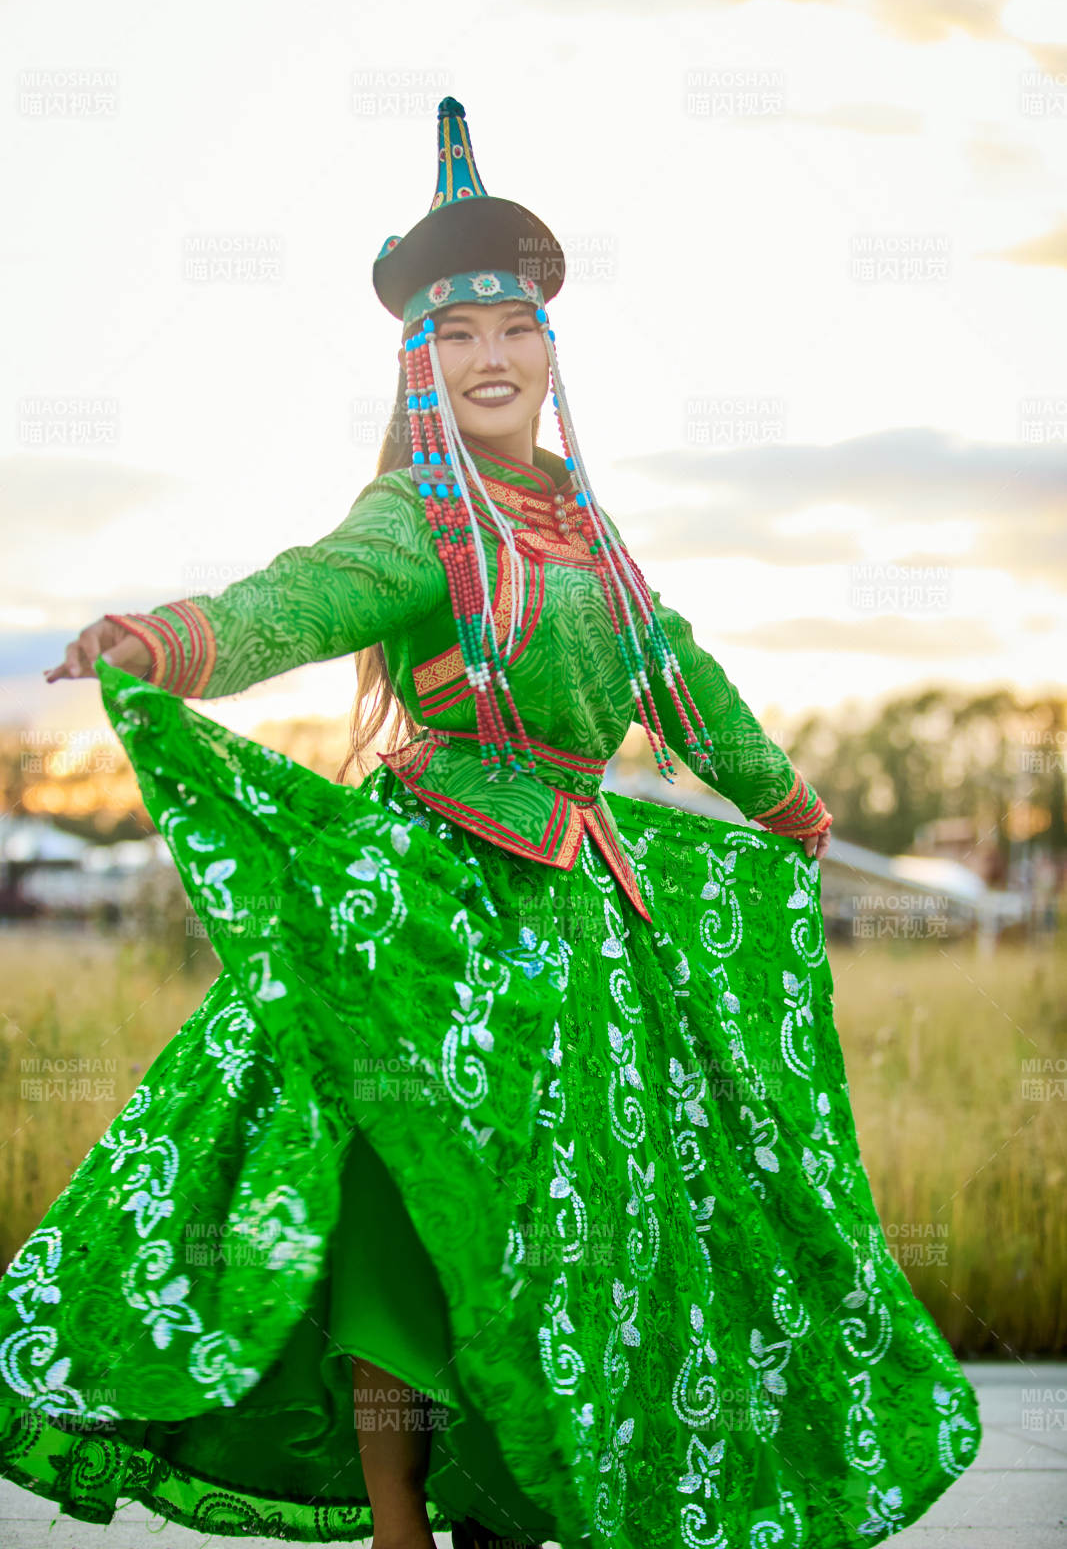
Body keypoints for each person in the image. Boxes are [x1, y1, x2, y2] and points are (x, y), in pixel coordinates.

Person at [2, 98, 979, 1549]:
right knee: (411, 1202)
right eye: (453, 337)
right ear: (420, 364)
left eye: (511, 330)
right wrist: (171, 639)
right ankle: (401, 1520)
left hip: (589, 922)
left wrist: (786, 800)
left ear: (548, 351)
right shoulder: (418, 517)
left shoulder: (592, 535)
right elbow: (303, 593)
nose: (488, 358)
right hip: (430, 909)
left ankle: (526, 1496)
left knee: (578, 1229)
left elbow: (683, 681)